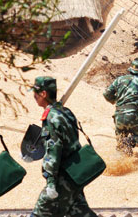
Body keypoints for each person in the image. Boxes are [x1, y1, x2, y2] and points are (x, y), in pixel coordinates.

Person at [29, 77, 96, 217]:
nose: (33, 96)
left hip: (62, 180)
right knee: (81, 213)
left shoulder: (50, 117)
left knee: (40, 214)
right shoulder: (66, 112)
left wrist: (51, 182)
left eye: (36, 93)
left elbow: (54, 150)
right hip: (75, 174)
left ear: (44, 94)